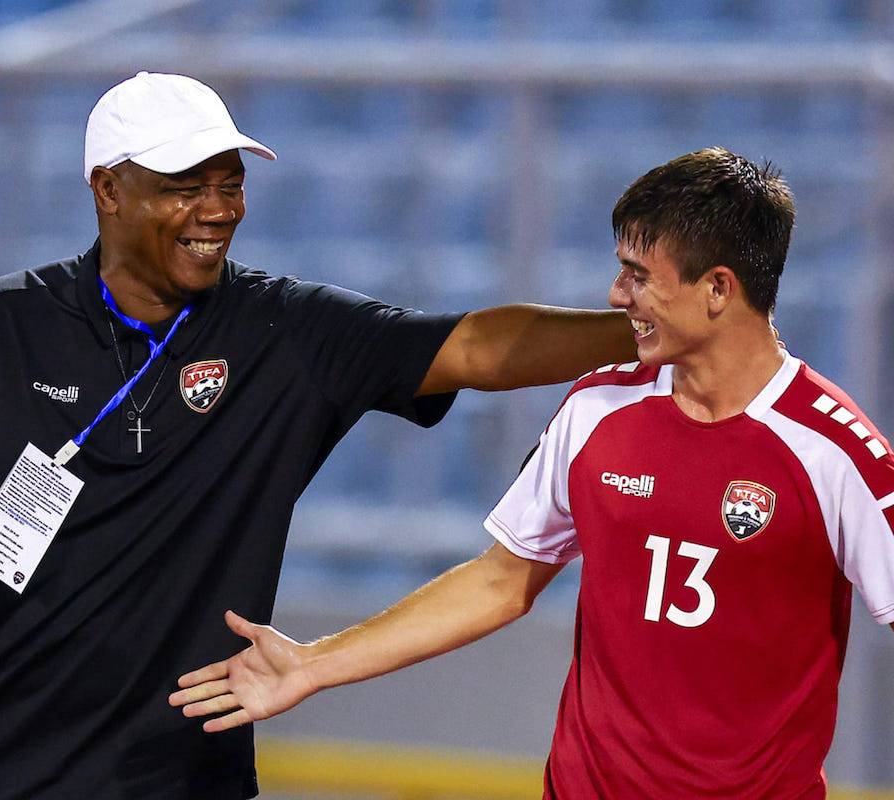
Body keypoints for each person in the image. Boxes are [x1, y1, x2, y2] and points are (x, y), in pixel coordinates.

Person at [0, 71, 636, 800]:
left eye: (231, 184)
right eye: (187, 186)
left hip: (178, 779)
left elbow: (478, 346)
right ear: (109, 189)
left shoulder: (286, 333)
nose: (218, 211)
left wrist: (649, 330)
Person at [171, 147, 894, 799]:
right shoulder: (596, 410)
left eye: (639, 277)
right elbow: (502, 578)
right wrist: (314, 664)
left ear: (718, 289)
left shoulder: (836, 452)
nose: (616, 297)